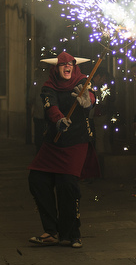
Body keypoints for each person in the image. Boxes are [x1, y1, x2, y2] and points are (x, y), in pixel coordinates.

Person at [27, 52, 99, 248]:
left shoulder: (82, 81)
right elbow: (50, 106)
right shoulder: (48, 86)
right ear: (56, 68)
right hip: (53, 143)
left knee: (67, 184)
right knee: (37, 179)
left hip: (77, 141)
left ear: (74, 66)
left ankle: (73, 233)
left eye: (70, 64)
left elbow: (92, 95)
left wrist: (88, 100)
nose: (67, 67)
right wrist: (58, 119)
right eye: (62, 64)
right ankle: (51, 231)